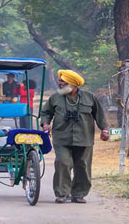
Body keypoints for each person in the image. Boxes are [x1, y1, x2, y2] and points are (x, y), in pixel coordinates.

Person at [40, 69, 109, 204]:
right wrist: (46, 124)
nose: (59, 83)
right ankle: (62, 193)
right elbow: (46, 113)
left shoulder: (89, 97)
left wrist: (105, 130)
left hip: (84, 138)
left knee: (82, 165)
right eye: (59, 81)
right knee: (63, 162)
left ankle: (78, 194)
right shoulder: (55, 97)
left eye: (62, 81)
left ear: (72, 84)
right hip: (61, 137)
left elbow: (99, 115)